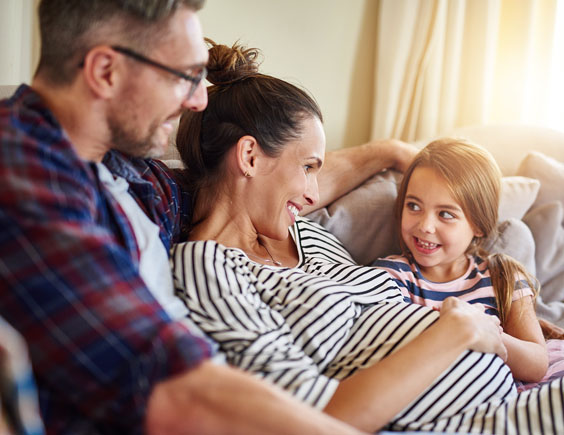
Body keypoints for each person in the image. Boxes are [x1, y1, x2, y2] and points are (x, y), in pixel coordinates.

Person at [0, 1, 417, 433]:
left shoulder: (136, 179)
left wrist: (386, 153)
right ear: (106, 71)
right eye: (184, 76)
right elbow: (175, 392)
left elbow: (260, 186)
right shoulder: (22, 174)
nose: (198, 99)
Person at [171, 40, 564, 434]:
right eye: (307, 166)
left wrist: (390, 152)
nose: (312, 192)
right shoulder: (208, 270)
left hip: (509, 400)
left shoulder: (299, 231)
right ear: (250, 157)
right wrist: (455, 333)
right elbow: (312, 418)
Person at [374, 139, 549, 386]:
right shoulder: (392, 274)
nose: (425, 226)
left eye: (446, 214)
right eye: (414, 206)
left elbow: (536, 364)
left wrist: (483, 331)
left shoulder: (504, 277)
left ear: (478, 224)